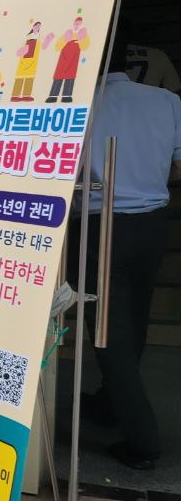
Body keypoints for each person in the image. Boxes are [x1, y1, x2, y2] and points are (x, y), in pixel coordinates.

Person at [72, 28, 181, 471]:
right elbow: (177, 167)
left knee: (107, 334)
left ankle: (143, 440)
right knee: (134, 319)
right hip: (154, 224)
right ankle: (110, 400)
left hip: (101, 225)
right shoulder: (167, 101)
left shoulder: (79, 107)